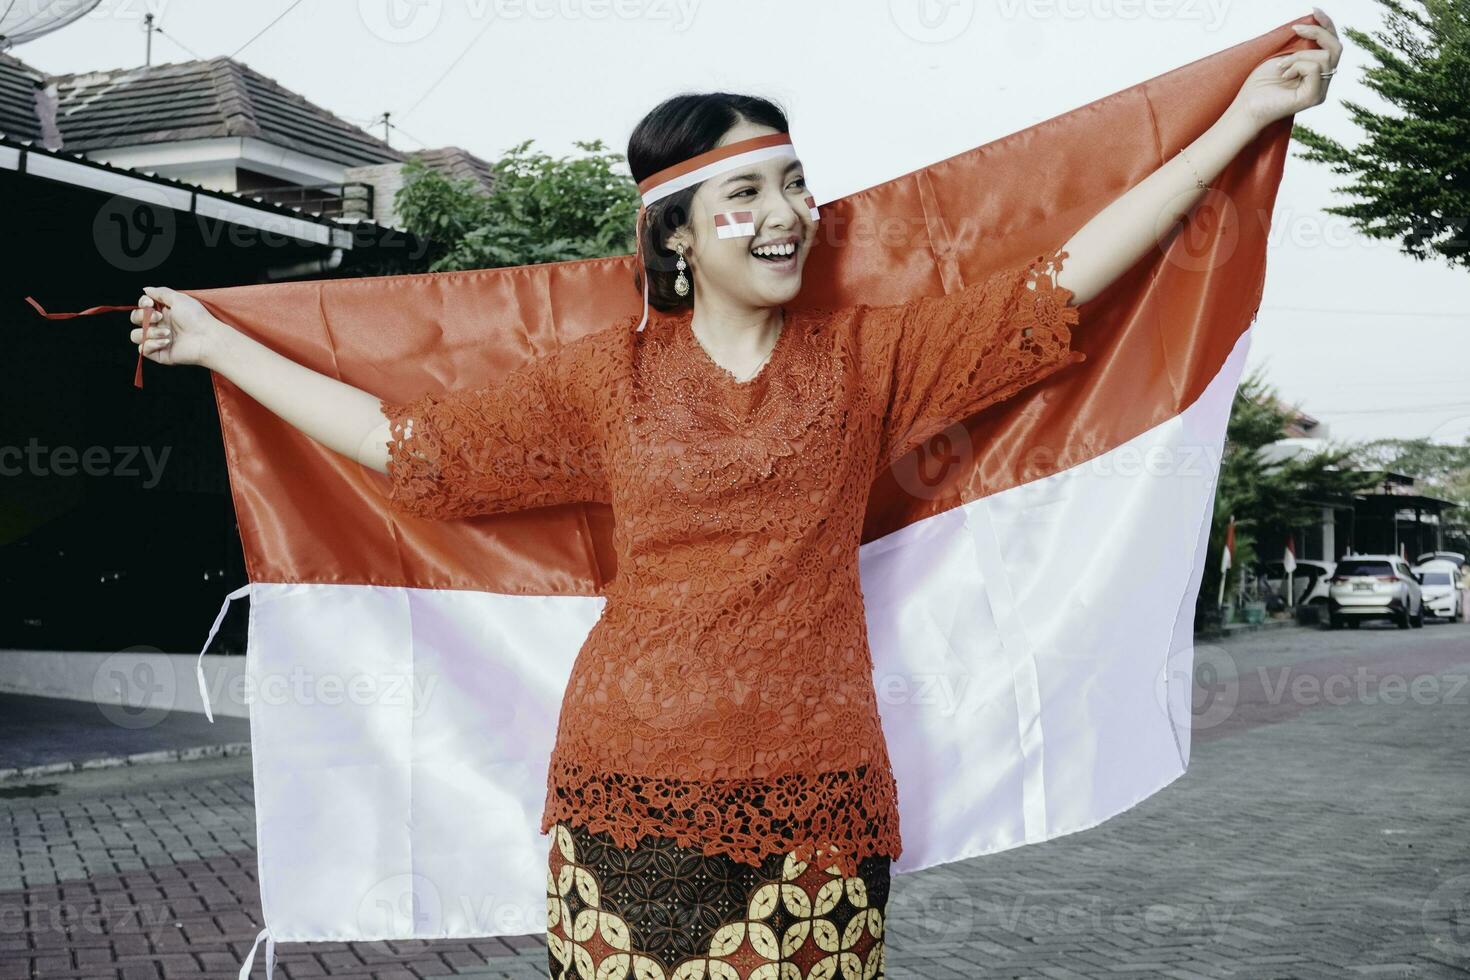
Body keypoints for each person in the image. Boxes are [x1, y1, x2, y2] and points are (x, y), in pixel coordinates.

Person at [125, 14, 1339, 977]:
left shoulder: (867, 361)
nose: (787, 215)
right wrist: (220, 346)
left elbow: (1054, 292)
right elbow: (418, 452)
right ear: (678, 237)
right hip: (626, 789)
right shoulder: (605, 381)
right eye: (746, 196)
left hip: (819, 796)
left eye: (797, 184)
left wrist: (1240, 116)